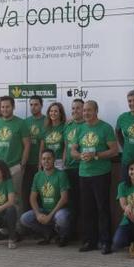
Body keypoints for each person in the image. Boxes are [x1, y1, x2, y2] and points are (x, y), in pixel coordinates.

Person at [70, 100, 118, 254]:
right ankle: (89, 241)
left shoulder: (105, 128)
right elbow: (73, 151)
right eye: (84, 111)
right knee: (87, 209)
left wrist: (96, 155)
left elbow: (114, 151)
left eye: (89, 110)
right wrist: (79, 155)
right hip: (84, 173)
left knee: (102, 209)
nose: (85, 113)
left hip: (101, 174)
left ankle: (105, 242)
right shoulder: (80, 128)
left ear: (96, 111)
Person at [20, 150, 72, 246]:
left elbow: (64, 198)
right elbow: (32, 198)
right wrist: (38, 214)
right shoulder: (38, 176)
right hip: (44, 210)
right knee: (25, 218)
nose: (46, 161)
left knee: (62, 217)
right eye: (43, 159)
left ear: (54, 160)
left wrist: (50, 216)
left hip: (58, 210)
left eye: (49, 158)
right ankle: (48, 233)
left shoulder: (61, 175)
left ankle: (63, 236)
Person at [0, 96, 30, 213]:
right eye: (2, 107)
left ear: (13, 107)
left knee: (16, 197)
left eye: (7, 107)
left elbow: (27, 144)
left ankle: (17, 226)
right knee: (0, 197)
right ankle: (2, 227)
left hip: (15, 166)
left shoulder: (21, 123)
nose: (5, 109)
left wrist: (22, 163)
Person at [63, 99, 85, 237]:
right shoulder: (68, 125)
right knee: (71, 203)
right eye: (73, 108)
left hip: (83, 169)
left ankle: (84, 233)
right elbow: (66, 145)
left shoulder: (87, 125)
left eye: (78, 108)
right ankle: (69, 233)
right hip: (69, 169)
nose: (75, 111)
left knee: (83, 203)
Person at [23, 96, 46, 214]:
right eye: (31, 104)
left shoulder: (47, 121)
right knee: (27, 194)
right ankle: (27, 224)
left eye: (36, 104)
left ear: (41, 105)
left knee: (43, 194)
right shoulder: (25, 122)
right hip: (27, 164)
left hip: (43, 165)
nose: (33, 107)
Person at [39, 102, 67, 170]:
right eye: (51, 111)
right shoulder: (45, 128)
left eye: (55, 111)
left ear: (60, 113)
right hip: (46, 162)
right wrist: (40, 163)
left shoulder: (65, 127)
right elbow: (41, 149)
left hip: (59, 162)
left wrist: (63, 162)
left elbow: (66, 147)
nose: (53, 113)